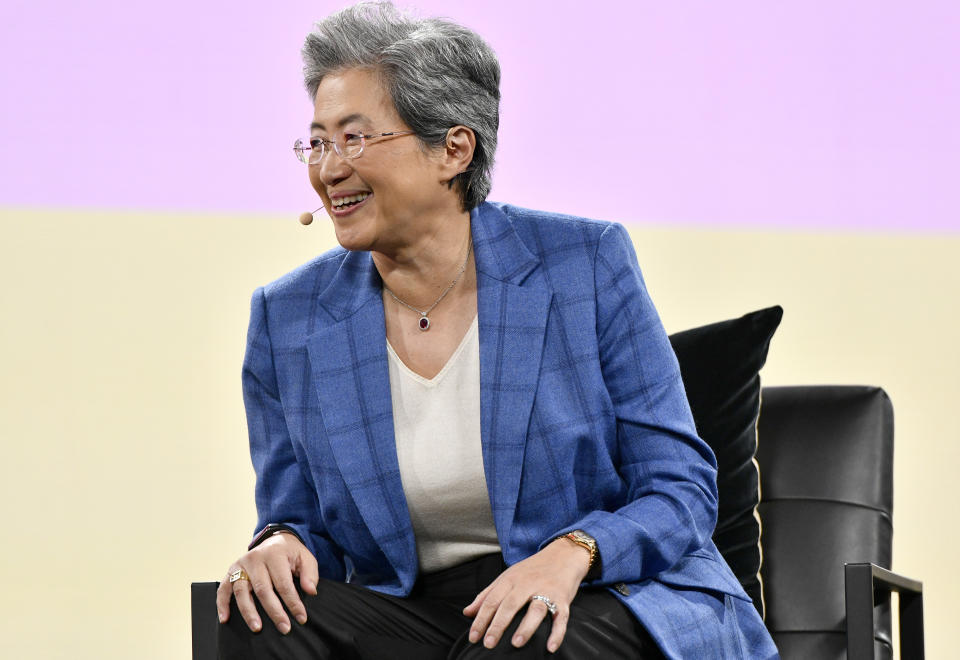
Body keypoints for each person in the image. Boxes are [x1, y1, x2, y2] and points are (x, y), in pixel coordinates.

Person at [216, 2, 778, 658]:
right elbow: (299, 522)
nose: (328, 168)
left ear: (453, 148)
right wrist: (278, 544)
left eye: (355, 137)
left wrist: (573, 554)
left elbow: (680, 487)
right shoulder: (288, 318)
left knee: (516, 637)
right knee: (252, 615)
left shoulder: (583, 265)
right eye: (317, 141)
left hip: (601, 591)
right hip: (415, 610)